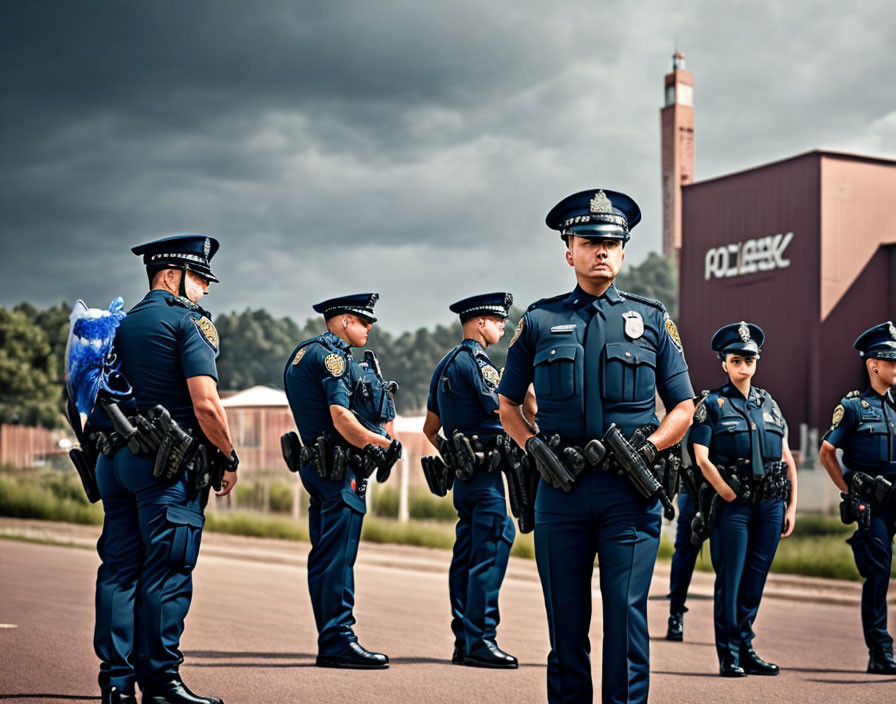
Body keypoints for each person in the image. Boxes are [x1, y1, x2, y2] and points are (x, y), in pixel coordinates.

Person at [497, 189, 695, 704]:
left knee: (626, 620)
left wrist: (649, 450)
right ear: (569, 251)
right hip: (560, 493)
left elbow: (683, 407)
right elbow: (508, 405)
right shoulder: (539, 321)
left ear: (624, 252)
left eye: (612, 242)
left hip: (628, 495)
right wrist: (533, 446)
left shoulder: (651, 320)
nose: (601, 250)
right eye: (589, 241)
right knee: (565, 623)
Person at [92, 235, 239, 704]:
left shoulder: (118, 324)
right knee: (167, 571)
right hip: (165, 466)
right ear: (171, 275)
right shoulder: (188, 321)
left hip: (114, 460)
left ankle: (116, 682)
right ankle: (161, 684)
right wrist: (229, 457)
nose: (206, 290)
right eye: (199, 278)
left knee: (118, 569)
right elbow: (206, 403)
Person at [282, 293, 400, 669]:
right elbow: (340, 417)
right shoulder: (333, 357)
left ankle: (331, 636)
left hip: (319, 468)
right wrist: (385, 443)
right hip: (339, 470)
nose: (368, 328)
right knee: (338, 559)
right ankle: (338, 639)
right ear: (344, 320)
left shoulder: (304, 352)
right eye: (364, 321)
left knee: (324, 556)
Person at [689, 322, 797, 677]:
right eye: (736, 360)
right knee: (731, 581)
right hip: (734, 507)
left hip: (770, 505)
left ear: (756, 361)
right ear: (725, 363)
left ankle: (747, 647)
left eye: (749, 359)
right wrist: (726, 492)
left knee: (755, 581)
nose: (744, 366)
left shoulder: (770, 403)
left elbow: (785, 456)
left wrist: (790, 506)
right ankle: (729, 655)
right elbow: (701, 457)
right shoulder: (713, 404)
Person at [421, 292, 519, 669]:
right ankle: (481, 640)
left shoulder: (445, 364)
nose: (501, 327)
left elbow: (431, 429)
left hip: (466, 477)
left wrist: (456, 452)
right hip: (485, 475)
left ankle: (464, 639)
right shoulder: (477, 362)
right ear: (479, 323)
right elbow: (501, 408)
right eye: (497, 321)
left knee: (466, 556)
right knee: (492, 547)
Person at [819, 321, 896, 675]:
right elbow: (827, 451)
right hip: (873, 505)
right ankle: (880, 651)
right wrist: (850, 491)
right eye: (890, 361)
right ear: (873, 365)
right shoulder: (852, 407)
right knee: (878, 575)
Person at [664, 480, 700, 641]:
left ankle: (733, 632)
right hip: (692, 482)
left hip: (726, 482)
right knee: (685, 551)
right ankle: (675, 614)